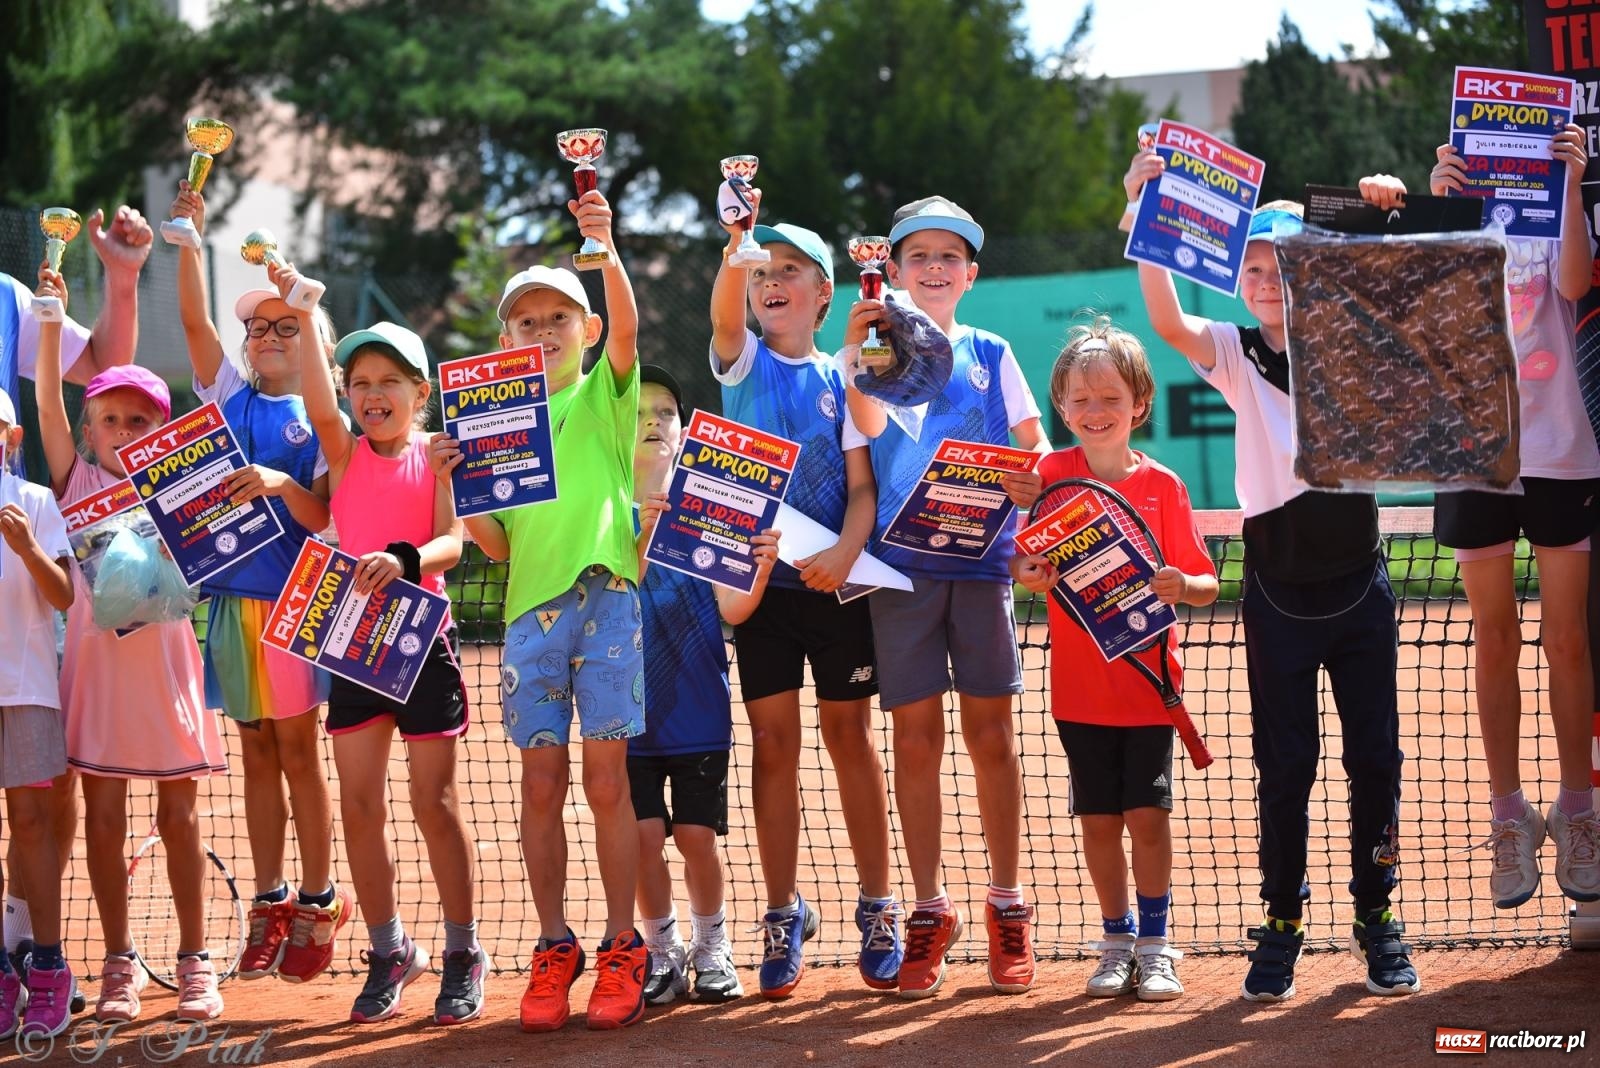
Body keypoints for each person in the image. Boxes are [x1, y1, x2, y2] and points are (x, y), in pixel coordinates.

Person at [1127, 146, 1419, 1000]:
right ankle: (1282, 924)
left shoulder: (1357, 340)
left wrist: (1384, 210)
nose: (1265, 279)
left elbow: (1409, 285)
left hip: (1360, 585)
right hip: (1277, 595)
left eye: (1284, 265)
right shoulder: (1231, 349)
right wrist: (1148, 214)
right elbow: (1167, 319)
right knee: (1284, 766)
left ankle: (1377, 917)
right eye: (1252, 266)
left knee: (1379, 760)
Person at [429, 188, 650, 1032]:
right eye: (528, 320)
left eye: (561, 315)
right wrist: (457, 474)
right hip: (531, 615)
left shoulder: (604, 398)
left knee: (607, 782)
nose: (546, 329)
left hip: (610, 602)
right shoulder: (489, 423)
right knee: (539, 783)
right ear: (506, 339)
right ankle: (553, 948)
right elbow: (495, 543)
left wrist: (606, 250)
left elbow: (628, 332)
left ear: (586, 331)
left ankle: (622, 946)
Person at [840, 195, 1051, 999]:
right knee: (916, 741)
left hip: (983, 565)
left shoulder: (993, 352)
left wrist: (1021, 480)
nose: (933, 267)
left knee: (993, 735)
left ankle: (1007, 903)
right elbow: (861, 425)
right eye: (917, 255)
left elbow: (1034, 450)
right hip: (900, 575)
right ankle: (931, 908)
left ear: (971, 273)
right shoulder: (862, 352)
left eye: (948, 256)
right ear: (889, 270)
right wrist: (863, 347)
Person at [1396, 133, 1599, 905]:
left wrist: (1572, 180)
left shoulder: (1552, 208)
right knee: (1493, 635)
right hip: (1470, 451)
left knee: (1569, 636)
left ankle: (1579, 810)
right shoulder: (1457, 217)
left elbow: (1576, 282)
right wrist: (1443, 204)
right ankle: (1509, 817)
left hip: (1559, 448)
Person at [708, 198, 897, 998]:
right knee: (773, 748)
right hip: (760, 590)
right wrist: (735, 244)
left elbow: (861, 488)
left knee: (850, 738)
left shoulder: (844, 375)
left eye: (792, 271)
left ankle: (879, 907)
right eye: (764, 272)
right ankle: (783, 911)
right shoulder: (739, 360)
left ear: (826, 293)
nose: (772, 282)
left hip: (837, 585)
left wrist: (849, 551)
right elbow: (724, 304)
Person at [32, 269, 227, 1025]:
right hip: (96, 681)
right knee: (104, 821)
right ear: (88, 432)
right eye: (109, 420)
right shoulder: (72, 481)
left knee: (181, 821)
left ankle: (194, 962)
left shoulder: (183, 487)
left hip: (169, 678)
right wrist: (52, 322)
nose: (122, 432)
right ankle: (119, 963)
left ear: (163, 430)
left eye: (139, 421)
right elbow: (47, 399)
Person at [170, 181, 348, 984]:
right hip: (230, 607)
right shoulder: (229, 395)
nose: (268, 335)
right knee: (251, 751)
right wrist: (189, 244)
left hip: (294, 607)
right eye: (261, 328)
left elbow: (321, 517)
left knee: (298, 753)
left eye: (287, 325)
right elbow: (194, 324)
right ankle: (272, 898)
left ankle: (318, 897)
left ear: (313, 339)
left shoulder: (319, 417)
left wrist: (278, 484)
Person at [1009, 321, 1217, 1002]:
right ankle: (1116, 941)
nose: (1094, 412)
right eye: (1079, 400)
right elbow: (1021, 561)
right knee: (1098, 821)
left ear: (1139, 404)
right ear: (1061, 407)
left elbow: (1205, 581)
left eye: (1109, 398)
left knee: (1147, 817)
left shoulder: (1164, 486)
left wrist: (1181, 588)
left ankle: (1156, 946)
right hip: (1077, 693)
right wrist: (1029, 574)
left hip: (1148, 689)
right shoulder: (1045, 477)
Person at [296, 306, 486, 1024]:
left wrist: (400, 560)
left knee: (434, 805)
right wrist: (308, 307)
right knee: (358, 807)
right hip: (352, 645)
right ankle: (389, 950)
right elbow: (317, 394)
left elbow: (453, 542)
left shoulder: (437, 453)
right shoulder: (340, 453)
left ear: (419, 393)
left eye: (388, 383)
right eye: (359, 383)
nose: (371, 395)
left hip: (422, 643)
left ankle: (464, 950)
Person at [4, 205, 153, 1015]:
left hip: (24, 551)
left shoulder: (7, 295)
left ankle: (27, 940)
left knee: (43, 781)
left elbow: (97, 372)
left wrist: (123, 278)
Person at [626, 365, 744, 1005]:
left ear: (684, 429)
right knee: (643, 837)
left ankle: (712, 944)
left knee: (697, 837)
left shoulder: (711, 510)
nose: (650, 421)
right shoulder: (604, 508)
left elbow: (732, 610)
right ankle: (661, 948)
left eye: (664, 412)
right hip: (626, 713)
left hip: (699, 713)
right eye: (636, 411)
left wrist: (760, 563)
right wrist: (641, 529)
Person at [0, 386, 75, 1039]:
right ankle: (2, 969)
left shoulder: (36, 503)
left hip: (24, 688)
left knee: (31, 821)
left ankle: (48, 966)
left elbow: (65, 597)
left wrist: (27, 548)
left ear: (11, 438)